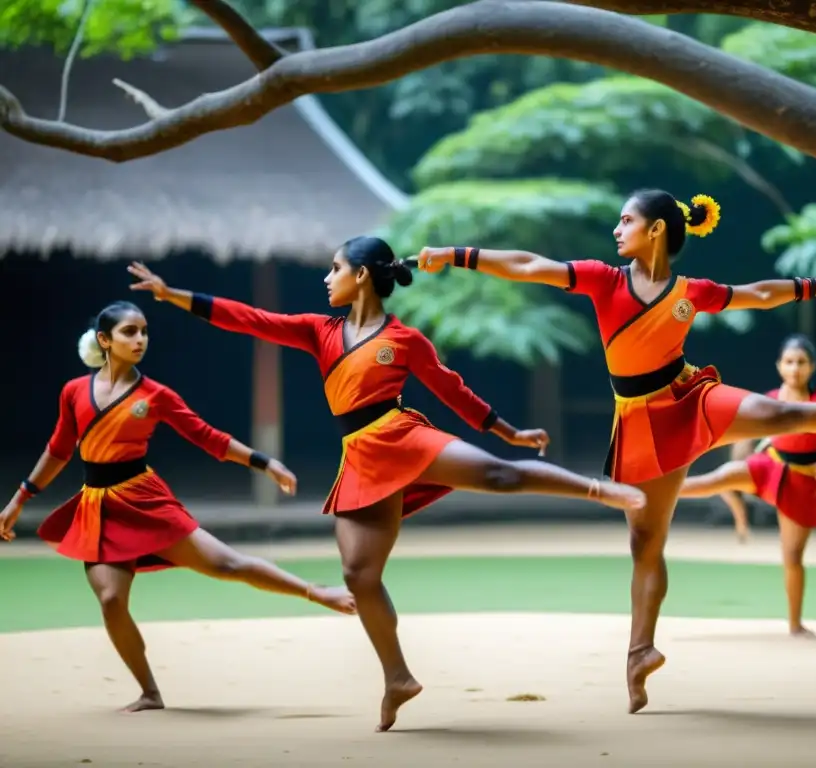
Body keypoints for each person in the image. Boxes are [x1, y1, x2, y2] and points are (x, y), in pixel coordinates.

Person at [412, 188, 816, 713]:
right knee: (646, 542)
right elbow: (526, 265)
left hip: (690, 396)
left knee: (776, 414)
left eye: (626, 220)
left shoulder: (690, 291)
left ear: (655, 229)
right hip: (639, 421)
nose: (617, 229)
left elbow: (758, 294)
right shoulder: (602, 278)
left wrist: (814, 286)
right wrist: (455, 255)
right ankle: (639, 654)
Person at [125, 236, 646, 732]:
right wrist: (173, 295)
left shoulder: (403, 339)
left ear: (364, 275)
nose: (327, 277)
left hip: (402, 434)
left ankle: (597, 489)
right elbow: (252, 320)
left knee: (498, 473)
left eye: (336, 268)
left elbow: (451, 390)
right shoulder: (318, 331)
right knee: (358, 574)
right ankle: (397, 677)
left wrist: (507, 430)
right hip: (360, 457)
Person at [0, 301, 357, 714]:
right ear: (105, 340)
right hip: (98, 507)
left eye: (144, 331)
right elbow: (58, 450)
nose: (139, 340)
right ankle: (150, 692)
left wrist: (264, 462)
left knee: (228, 564)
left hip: (144, 500)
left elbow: (208, 437)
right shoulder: (74, 392)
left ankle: (319, 592)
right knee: (111, 600)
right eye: (129, 332)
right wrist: (17, 501)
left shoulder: (155, 395)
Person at [678, 334, 816, 636]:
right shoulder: (768, 400)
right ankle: (655, 491)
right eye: (789, 362)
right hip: (769, 465)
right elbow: (738, 429)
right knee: (720, 477)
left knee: (792, 557)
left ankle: (795, 624)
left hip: (804, 478)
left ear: (812, 366)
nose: (795, 368)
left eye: (801, 362)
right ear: (779, 366)